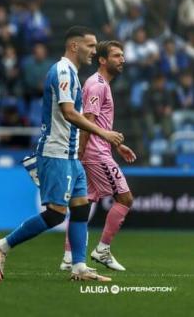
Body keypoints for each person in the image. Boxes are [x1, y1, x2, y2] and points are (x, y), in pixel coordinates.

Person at [0, 26, 124, 282]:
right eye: (91, 46)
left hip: (71, 155)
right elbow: (69, 112)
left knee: (81, 209)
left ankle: (79, 267)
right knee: (56, 214)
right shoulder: (62, 71)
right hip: (56, 152)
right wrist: (104, 134)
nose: (94, 52)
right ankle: (2, 245)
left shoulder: (72, 73)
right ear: (75, 46)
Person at [60, 41, 137, 272]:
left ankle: (68, 255)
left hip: (96, 150)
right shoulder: (97, 85)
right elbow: (87, 123)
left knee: (84, 203)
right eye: (116, 55)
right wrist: (83, 152)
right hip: (95, 154)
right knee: (125, 199)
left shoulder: (101, 84)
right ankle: (102, 250)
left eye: (122, 55)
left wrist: (116, 146)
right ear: (102, 60)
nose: (122, 59)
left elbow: (97, 125)